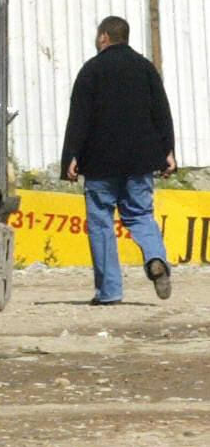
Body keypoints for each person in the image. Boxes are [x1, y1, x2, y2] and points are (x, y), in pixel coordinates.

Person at [60, 15, 177, 304]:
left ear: (104, 37)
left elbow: (80, 118)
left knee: (101, 222)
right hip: (140, 160)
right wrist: (168, 151)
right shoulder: (146, 68)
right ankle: (154, 258)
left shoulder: (92, 70)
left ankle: (109, 292)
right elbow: (161, 111)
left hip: (100, 163)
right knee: (140, 215)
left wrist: (70, 156)